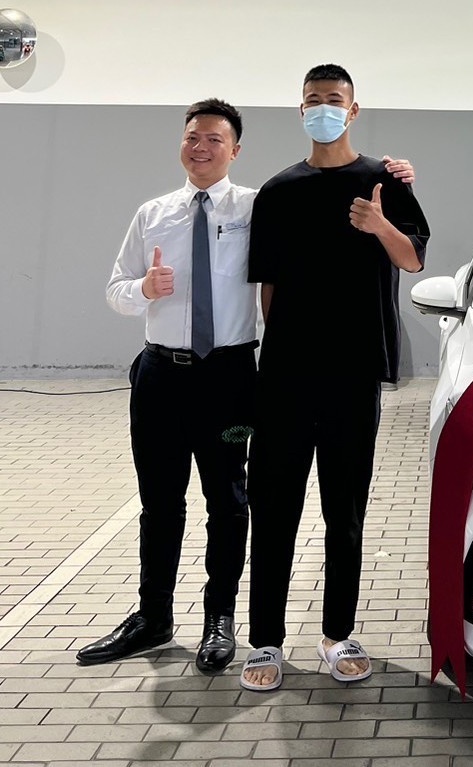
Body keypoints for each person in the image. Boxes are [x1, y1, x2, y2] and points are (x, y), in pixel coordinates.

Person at [82, 98, 416, 674]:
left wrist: (395, 174)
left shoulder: (260, 204)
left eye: (214, 139)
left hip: (229, 378)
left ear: (235, 150)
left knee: (229, 501)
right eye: (193, 137)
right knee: (159, 502)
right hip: (159, 377)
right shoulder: (152, 213)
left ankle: (220, 618)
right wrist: (143, 290)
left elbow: (302, 252)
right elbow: (116, 289)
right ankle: (152, 616)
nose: (201, 148)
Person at [240, 64, 430, 690]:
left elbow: (413, 258)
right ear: (302, 110)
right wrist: (280, 356)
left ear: (353, 110)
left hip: (353, 373)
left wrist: (378, 224)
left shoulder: (385, 181)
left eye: (334, 100)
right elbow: (268, 287)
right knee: (274, 511)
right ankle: (265, 642)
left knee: (344, 512)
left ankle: (338, 633)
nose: (323, 108)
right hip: (286, 376)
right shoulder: (278, 190)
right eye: (313, 100)